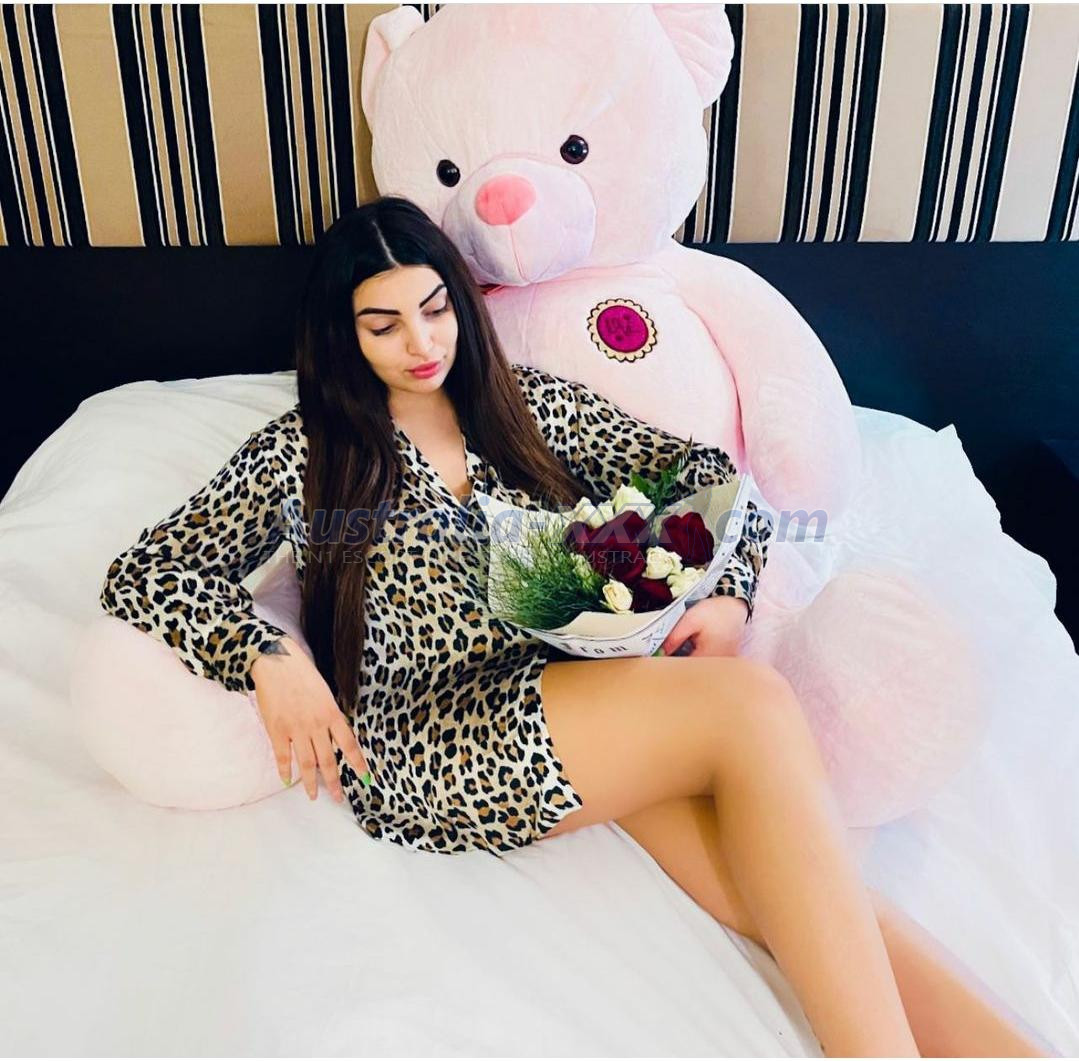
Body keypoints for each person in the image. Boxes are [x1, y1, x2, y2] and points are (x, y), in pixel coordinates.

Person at [100, 196, 1056, 1059]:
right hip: (427, 741)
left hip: (570, 698)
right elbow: (149, 570)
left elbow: (712, 481)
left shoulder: (527, 408)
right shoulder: (305, 453)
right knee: (748, 704)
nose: (420, 341)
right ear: (343, 335)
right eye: (383, 324)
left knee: (790, 887)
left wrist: (727, 596)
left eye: (435, 308)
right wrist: (269, 656)